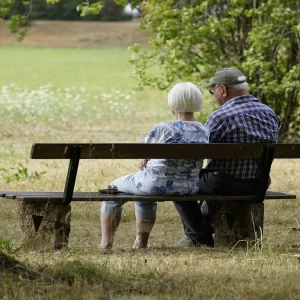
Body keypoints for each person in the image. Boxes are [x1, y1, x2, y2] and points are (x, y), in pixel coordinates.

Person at [172, 67, 280, 248]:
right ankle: (203, 229)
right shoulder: (269, 113)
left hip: (224, 183)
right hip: (258, 183)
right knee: (209, 178)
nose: (213, 95)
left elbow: (199, 151)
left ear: (223, 90)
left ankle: (198, 236)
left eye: (212, 90)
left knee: (179, 182)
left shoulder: (220, 117)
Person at [99, 82, 209, 250]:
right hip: (187, 188)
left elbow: (142, 151)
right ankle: (140, 243)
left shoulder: (164, 128)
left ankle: (106, 244)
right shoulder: (204, 130)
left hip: (153, 184)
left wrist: (146, 156)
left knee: (112, 190)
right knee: (144, 191)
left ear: (173, 104)